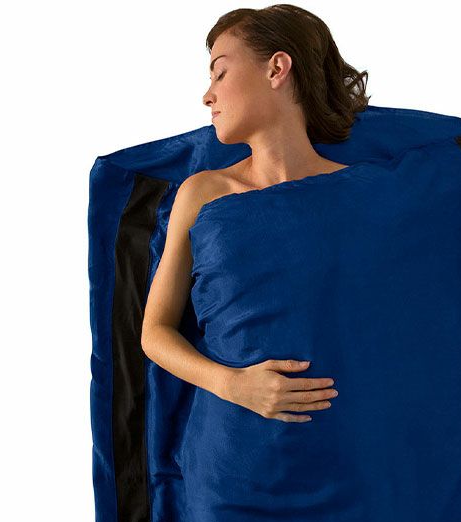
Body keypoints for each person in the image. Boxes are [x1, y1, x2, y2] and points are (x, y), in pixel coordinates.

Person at [141, 5, 370, 423]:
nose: (207, 96)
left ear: (276, 69)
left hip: (345, 439)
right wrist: (233, 385)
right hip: (232, 442)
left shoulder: (362, 192)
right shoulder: (202, 193)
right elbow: (155, 332)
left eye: (220, 73)